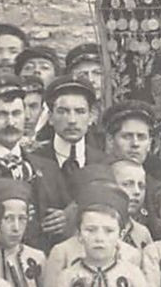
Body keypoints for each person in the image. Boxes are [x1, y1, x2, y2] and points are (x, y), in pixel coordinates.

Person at [27, 75, 109, 250]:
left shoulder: (103, 163)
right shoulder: (32, 160)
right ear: (49, 117)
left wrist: (77, 212)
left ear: (92, 116)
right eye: (63, 111)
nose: (72, 120)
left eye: (80, 112)